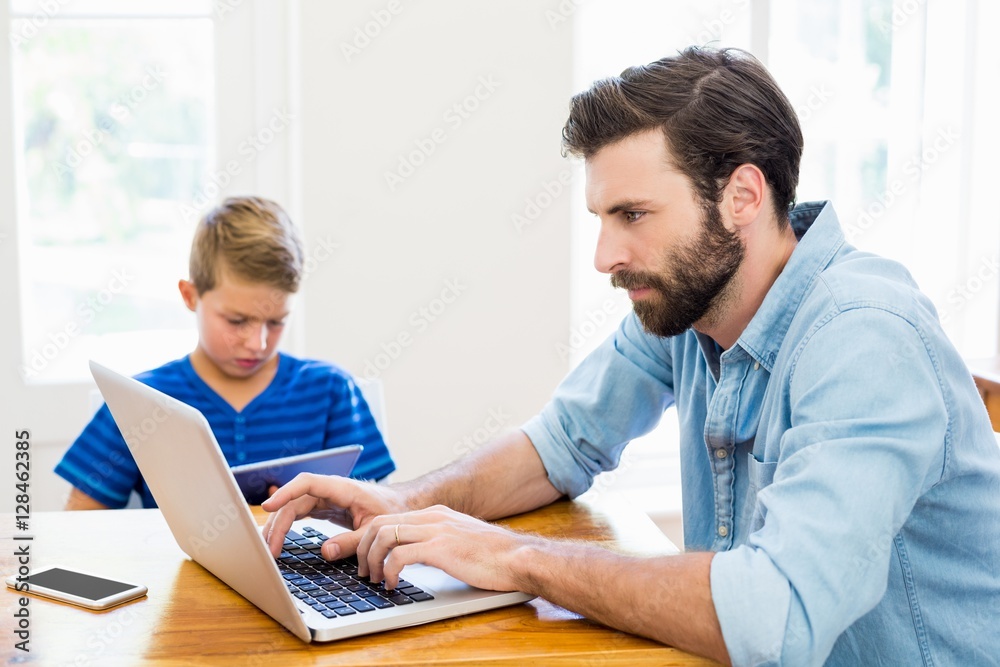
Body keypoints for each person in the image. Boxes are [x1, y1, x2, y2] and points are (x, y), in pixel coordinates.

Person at [261, 47, 1000, 665]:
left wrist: (513, 556)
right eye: (602, 217)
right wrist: (407, 501)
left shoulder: (864, 338)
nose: (605, 255)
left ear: (743, 194)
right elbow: (559, 444)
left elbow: (774, 617)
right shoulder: (692, 303)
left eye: (634, 215)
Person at [56, 196, 395, 509]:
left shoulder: (331, 391)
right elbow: (82, 524)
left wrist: (324, 510)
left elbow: (376, 517)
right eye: (237, 321)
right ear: (190, 297)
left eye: (276, 321)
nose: (257, 343)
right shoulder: (140, 400)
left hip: (307, 570)